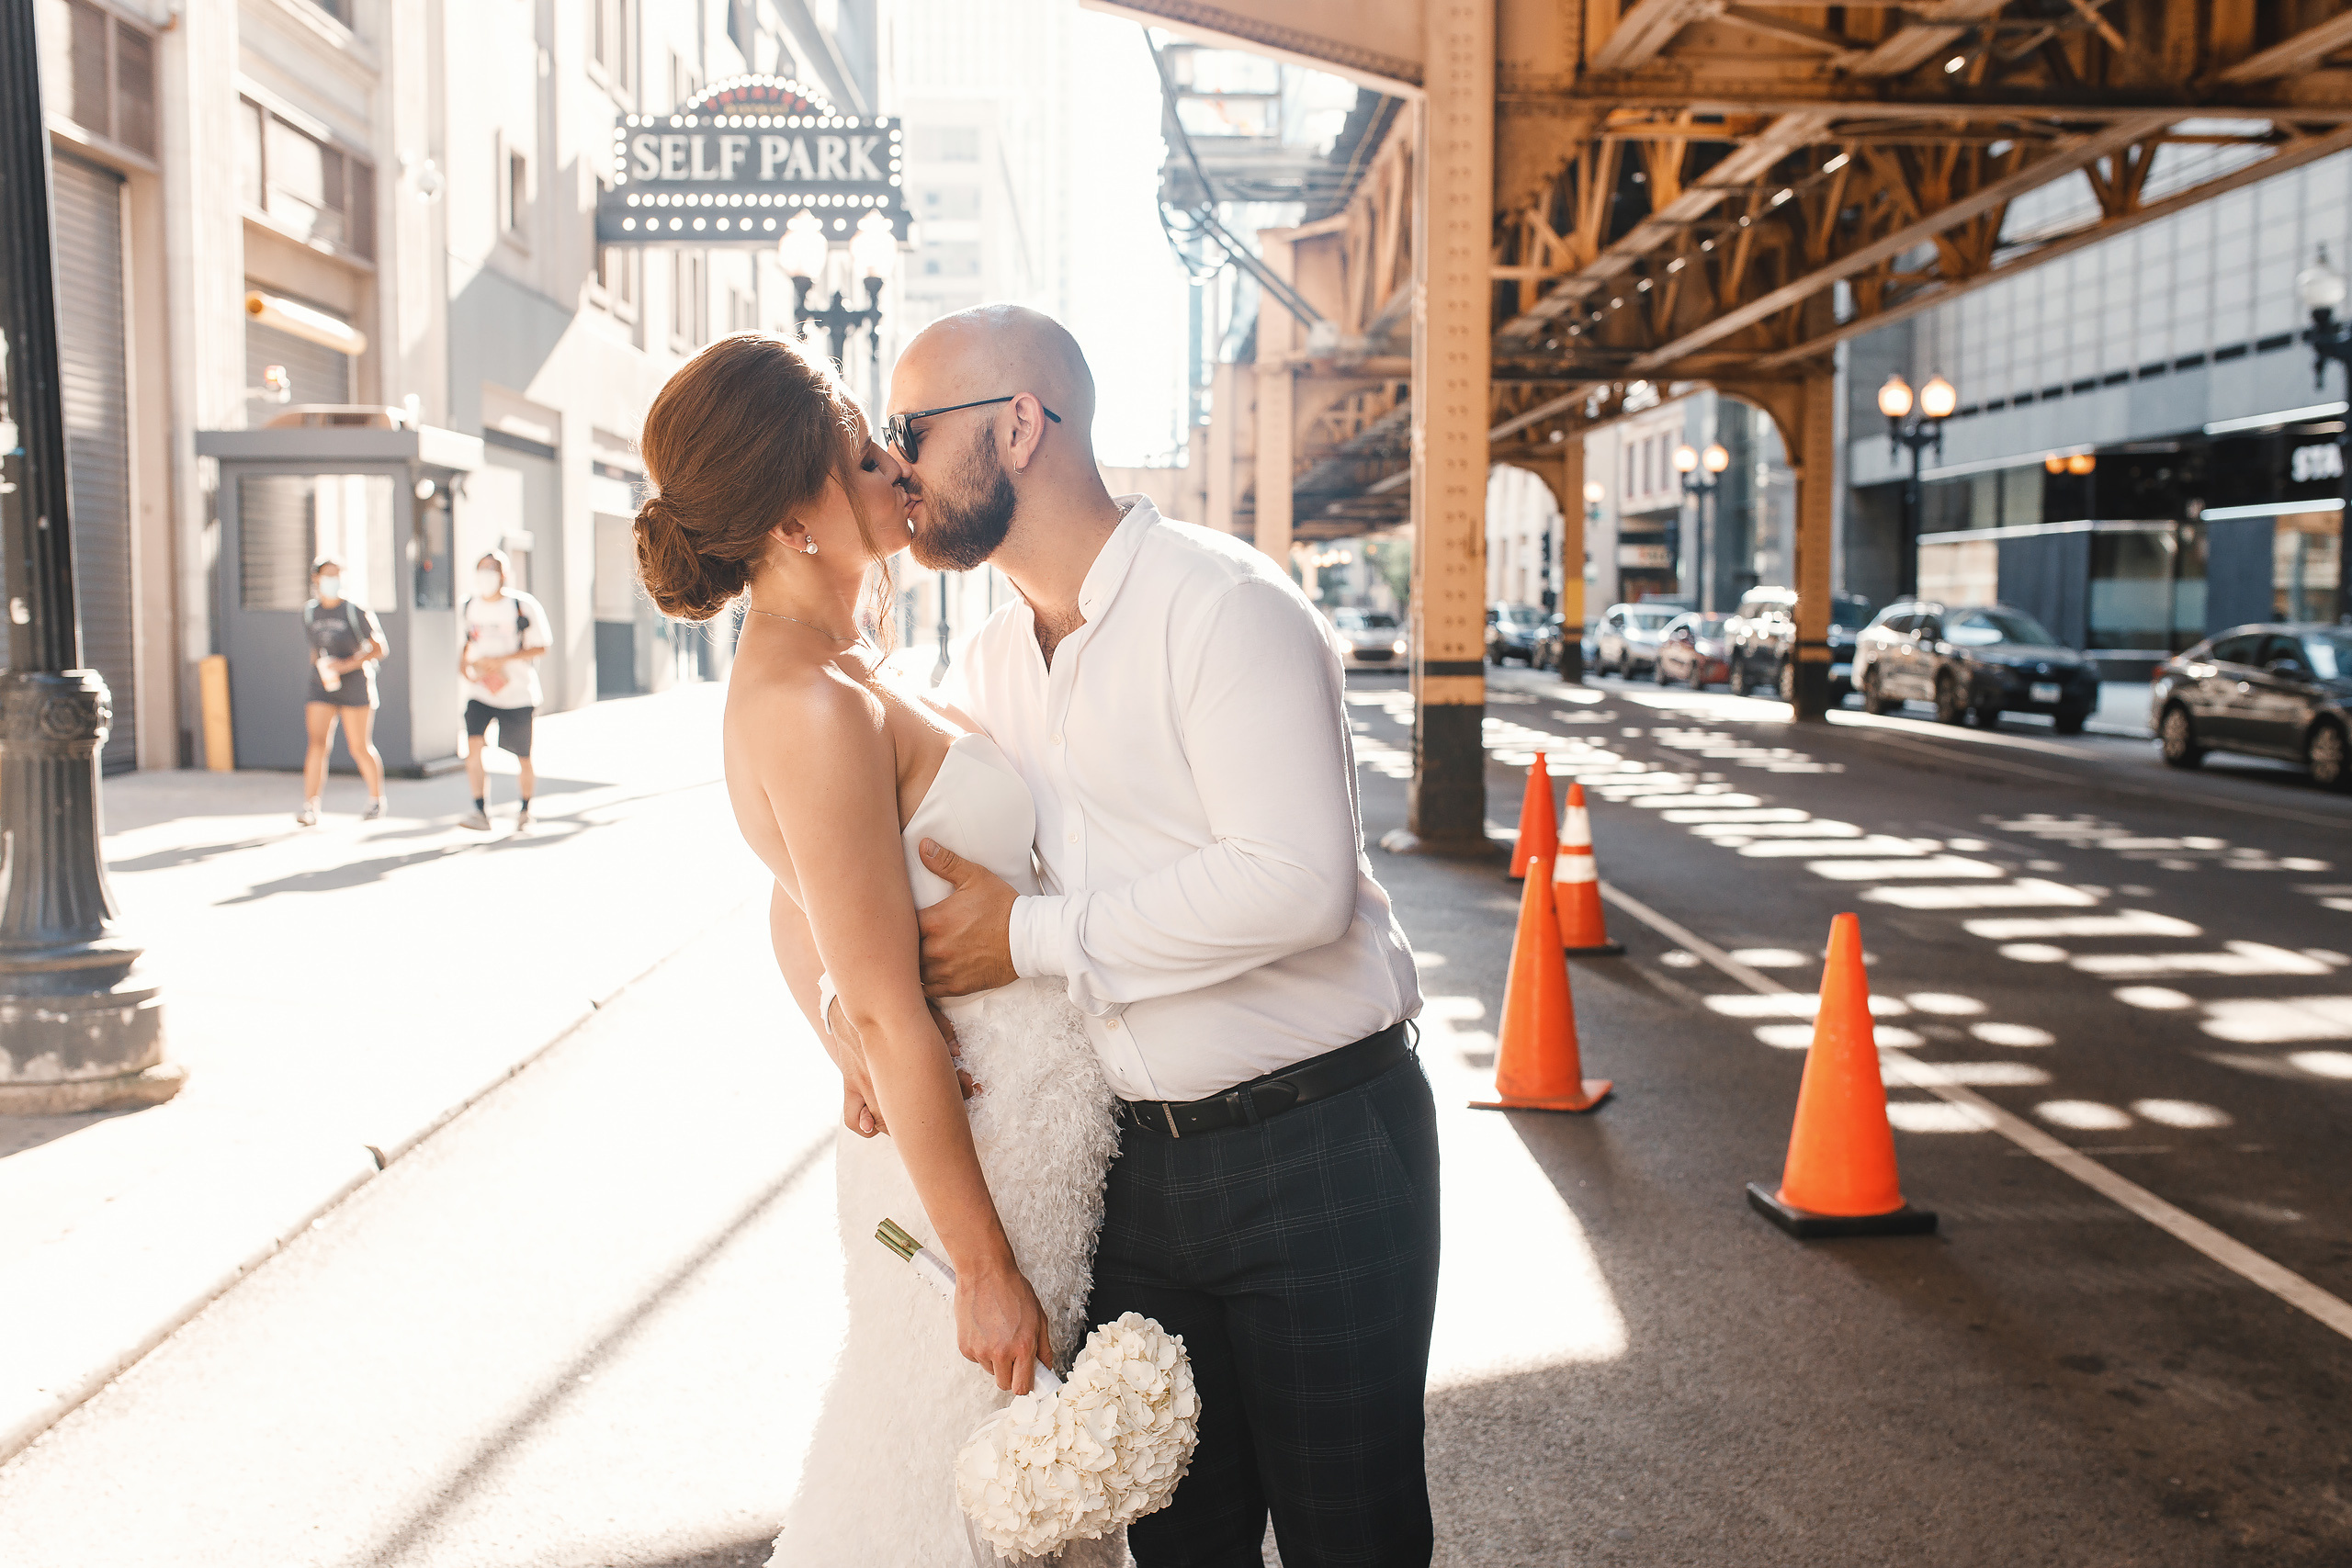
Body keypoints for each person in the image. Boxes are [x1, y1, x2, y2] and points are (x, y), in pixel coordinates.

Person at [899, 307, 1434, 1566]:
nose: (895, 465)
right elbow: (863, 842)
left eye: (910, 431)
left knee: (1350, 1537)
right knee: (1178, 1545)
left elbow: (1294, 882)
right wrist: (852, 1016)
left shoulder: (1225, 605)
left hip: (1322, 1144)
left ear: (1019, 426)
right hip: (1133, 1173)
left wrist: (1028, 937)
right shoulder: (984, 660)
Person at [634, 332, 1118, 1566]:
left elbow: (793, 899)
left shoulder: (848, 667)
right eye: (865, 456)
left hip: (1017, 1137)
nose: (903, 468)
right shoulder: (807, 701)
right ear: (796, 520)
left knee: (1024, 1502)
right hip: (973, 1171)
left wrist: (825, 1012)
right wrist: (980, 1267)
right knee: (956, 1497)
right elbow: (894, 1009)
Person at [458, 549, 551, 833]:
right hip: (481, 692)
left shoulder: (522, 606)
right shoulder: (468, 606)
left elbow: (542, 646)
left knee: (523, 756)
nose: (487, 575)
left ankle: (525, 810)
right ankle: (479, 810)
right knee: (473, 747)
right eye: (482, 569)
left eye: (493, 569)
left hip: (518, 693)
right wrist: (470, 670)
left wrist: (502, 661)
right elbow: (465, 647)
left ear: (504, 575)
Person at [297, 557, 388, 827]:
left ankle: (375, 799)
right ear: (316, 578)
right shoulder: (310, 612)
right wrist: (324, 668)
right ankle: (311, 805)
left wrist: (346, 665)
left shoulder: (354, 610)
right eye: (328, 575)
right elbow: (315, 649)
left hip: (355, 684)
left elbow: (380, 648)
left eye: (338, 575)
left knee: (359, 746)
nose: (333, 580)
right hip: (322, 685)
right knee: (317, 744)